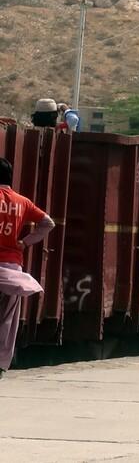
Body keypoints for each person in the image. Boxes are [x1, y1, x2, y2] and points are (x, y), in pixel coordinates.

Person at [0, 158, 55, 378]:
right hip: (13, 269)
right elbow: (48, 223)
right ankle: (1, 365)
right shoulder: (22, 202)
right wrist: (25, 242)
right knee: (7, 319)